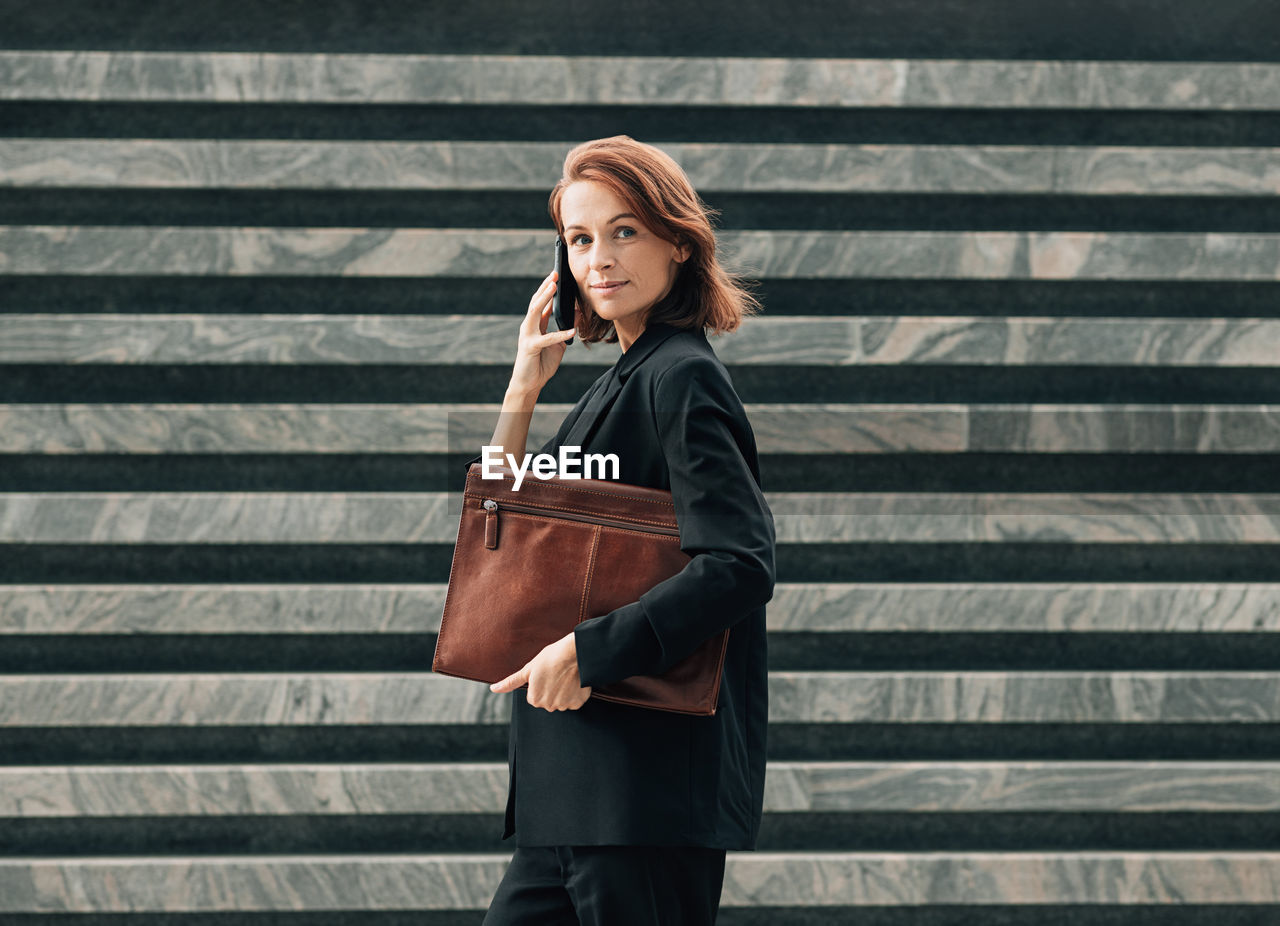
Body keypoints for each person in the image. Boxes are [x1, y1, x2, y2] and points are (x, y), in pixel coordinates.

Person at [466, 135, 776, 926]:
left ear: (678, 241)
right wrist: (521, 393)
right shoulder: (621, 381)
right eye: (579, 238)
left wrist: (587, 650)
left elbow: (739, 563)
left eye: (624, 230)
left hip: (640, 796)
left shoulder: (682, 377)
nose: (598, 258)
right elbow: (503, 540)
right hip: (575, 796)